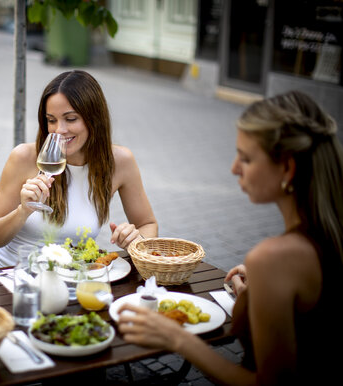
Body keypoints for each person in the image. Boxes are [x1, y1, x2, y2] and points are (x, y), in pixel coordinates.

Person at [117, 90, 343, 384]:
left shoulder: (273, 258)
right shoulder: (326, 239)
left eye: (246, 158)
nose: (234, 168)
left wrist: (179, 340)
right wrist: (255, 295)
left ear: (287, 167)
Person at [0, 70, 158, 268]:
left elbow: (148, 224)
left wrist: (137, 239)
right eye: (51, 120)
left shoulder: (119, 161)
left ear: (94, 118)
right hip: (9, 276)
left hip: (72, 281)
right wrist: (22, 211)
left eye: (71, 119)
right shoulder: (24, 157)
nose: (59, 130)